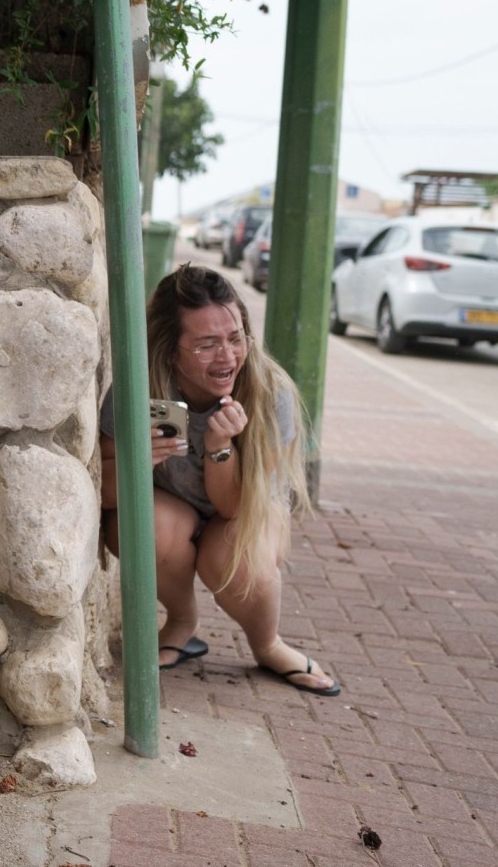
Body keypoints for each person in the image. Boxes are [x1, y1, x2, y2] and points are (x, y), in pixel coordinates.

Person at [99, 265, 339, 696]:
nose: (227, 357)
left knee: (232, 557)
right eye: (207, 345)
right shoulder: (138, 390)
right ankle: (181, 619)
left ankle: (267, 643)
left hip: (244, 512)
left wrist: (220, 446)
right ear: (171, 350)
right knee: (146, 526)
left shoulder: (270, 394)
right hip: (174, 510)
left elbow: (235, 510)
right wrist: (139, 463)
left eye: (235, 338)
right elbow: (105, 495)